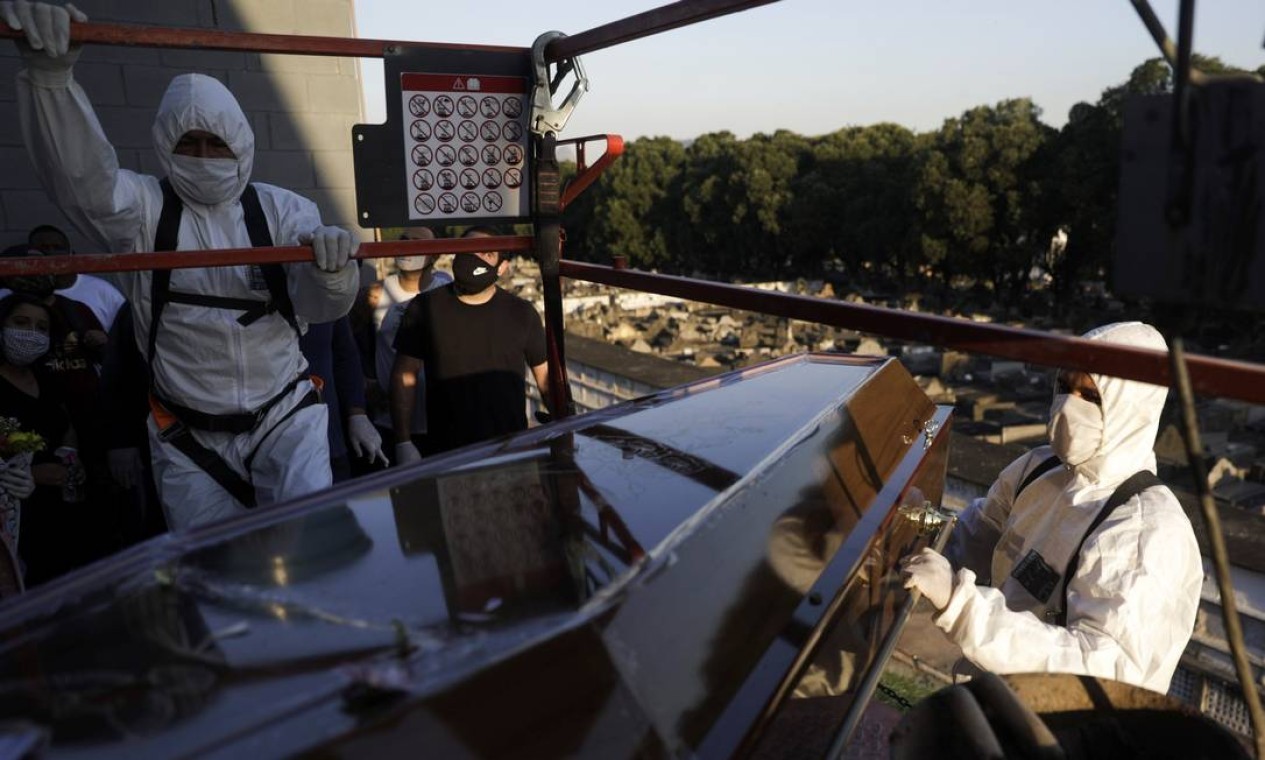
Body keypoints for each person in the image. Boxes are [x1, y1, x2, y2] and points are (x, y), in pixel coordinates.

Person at [6, 1, 361, 529]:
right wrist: (52, 80)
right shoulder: (141, 211)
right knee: (213, 574)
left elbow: (316, 306)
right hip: (187, 435)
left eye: (216, 143)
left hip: (285, 419)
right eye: (188, 144)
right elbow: (81, 181)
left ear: (240, 143)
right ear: (165, 146)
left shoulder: (284, 210)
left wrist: (335, 274)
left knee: (308, 545)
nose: (203, 156)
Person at [901, 321, 1201, 694]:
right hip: (993, 691)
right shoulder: (1040, 469)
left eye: (1090, 396)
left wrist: (965, 608)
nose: (1067, 405)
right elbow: (978, 537)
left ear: (1131, 410)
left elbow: (1101, 672)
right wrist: (922, 524)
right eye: (1064, 386)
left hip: (1056, 727)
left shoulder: (1143, 532)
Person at [390, 227, 550, 463]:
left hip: (510, 449)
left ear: (502, 267)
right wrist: (403, 442)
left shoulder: (522, 313)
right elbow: (404, 374)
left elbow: (546, 377)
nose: (475, 257)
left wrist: (567, 423)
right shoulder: (424, 308)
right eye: (469, 250)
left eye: (486, 254)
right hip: (447, 451)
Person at [0, 293, 84, 586]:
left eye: (41, 328)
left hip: (55, 512)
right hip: (13, 517)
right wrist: (29, 474)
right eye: (20, 323)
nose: (30, 334)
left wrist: (69, 453)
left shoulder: (46, 379)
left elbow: (64, 424)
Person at [375, 228, 452, 449]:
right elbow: (350, 344)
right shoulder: (377, 293)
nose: (408, 246)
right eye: (403, 240)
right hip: (389, 423)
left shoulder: (448, 289)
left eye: (417, 242)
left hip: (441, 421)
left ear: (435, 255)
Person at [299, 316, 388, 481]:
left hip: (330, 436)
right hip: (272, 439)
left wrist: (357, 412)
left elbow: (345, 354)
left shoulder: (325, 297)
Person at [28, 223, 127, 331]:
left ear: (72, 254)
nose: (51, 253)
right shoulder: (19, 291)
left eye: (58, 248)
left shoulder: (102, 290)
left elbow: (123, 333)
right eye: (43, 248)